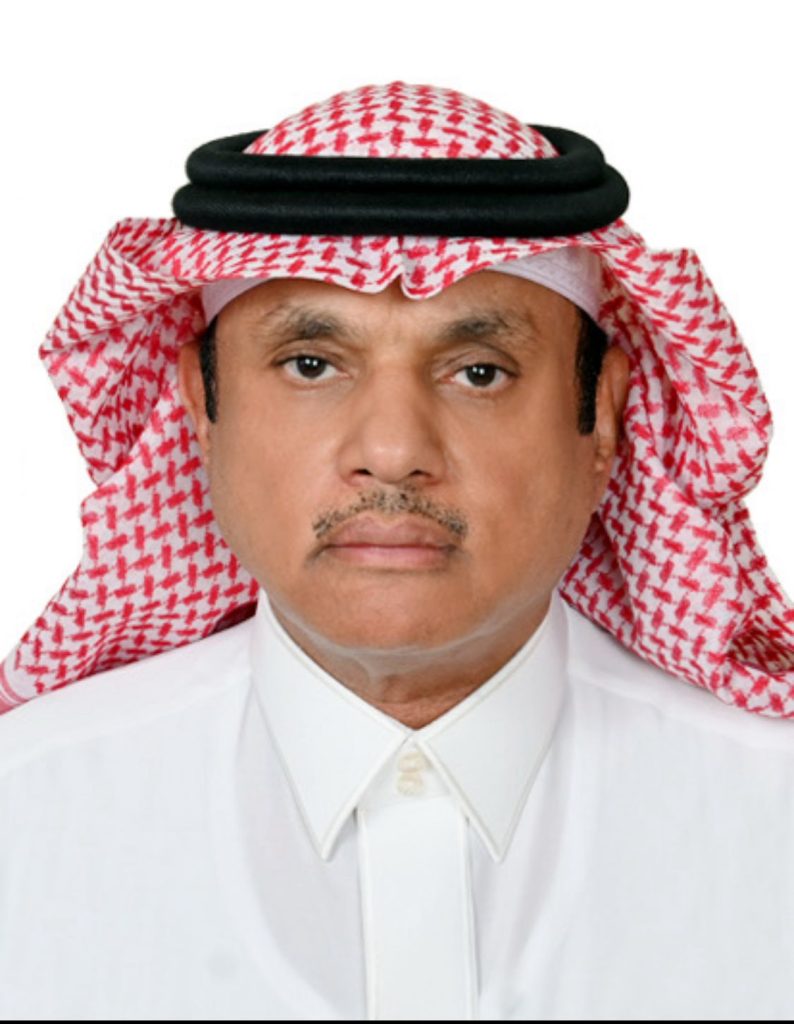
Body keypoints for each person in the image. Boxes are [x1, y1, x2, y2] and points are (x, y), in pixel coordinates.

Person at [1, 81, 793, 1021]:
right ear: (203, 411)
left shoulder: (767, 814)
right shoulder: (27, 814)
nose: (391, 450)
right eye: (311, 365)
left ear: (603, 418)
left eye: (478, 372)